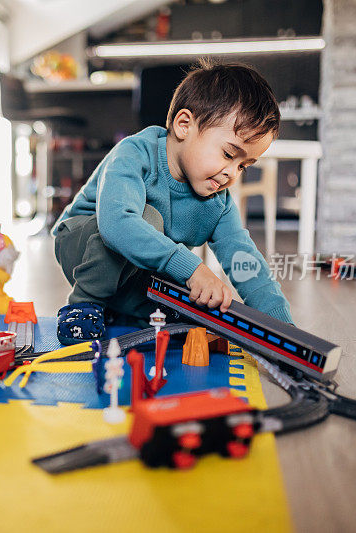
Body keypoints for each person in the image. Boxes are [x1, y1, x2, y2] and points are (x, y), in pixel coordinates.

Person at [52, 59, 293, 345]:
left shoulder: (218, 201)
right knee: (148, 220)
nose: (232, 173)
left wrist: (283, 327)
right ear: (183, 125)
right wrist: (192, 269)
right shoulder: (134, 154)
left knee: (187, 307)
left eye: (244, 165)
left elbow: (245, 260)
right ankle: (84, 304)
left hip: (137, 270)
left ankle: (121, 311)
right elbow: (116, 225)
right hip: (83, 246)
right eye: (229, 155)